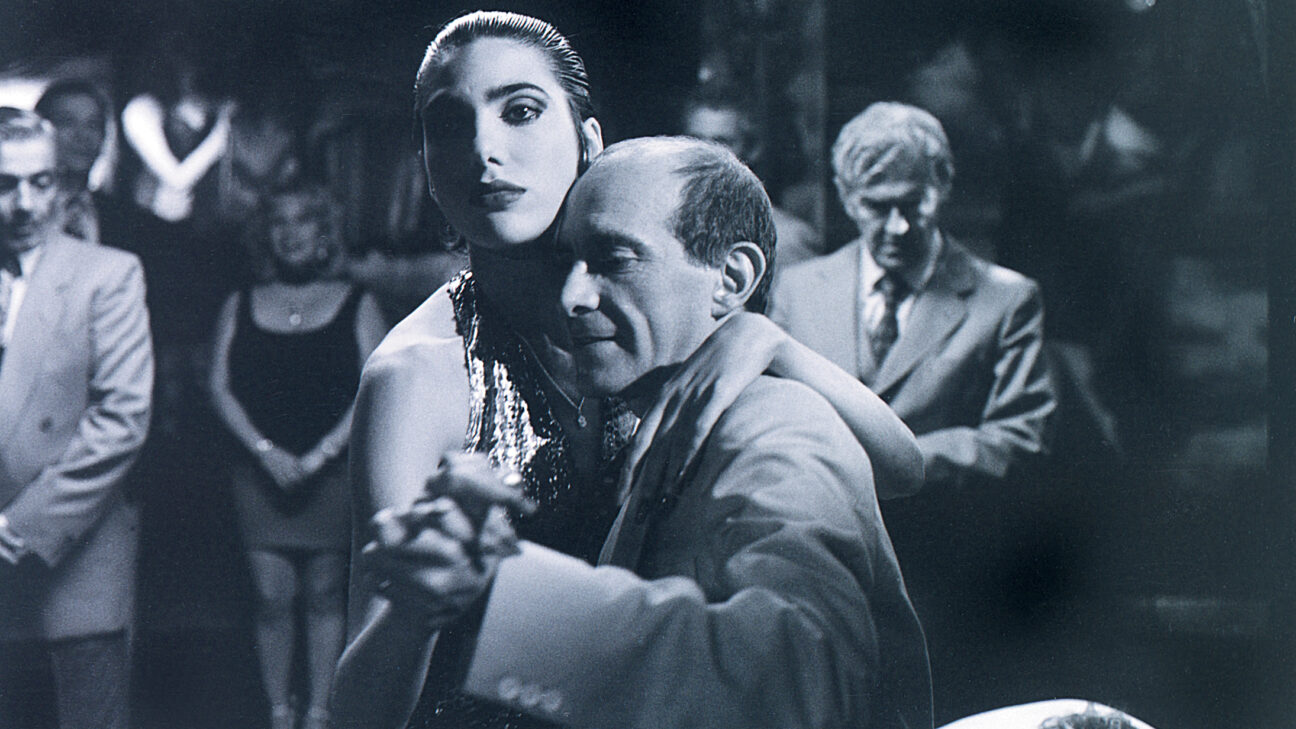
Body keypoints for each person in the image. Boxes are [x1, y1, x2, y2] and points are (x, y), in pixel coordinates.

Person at [330, 11, 923, 729]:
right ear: (425, 165)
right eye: (448, 125)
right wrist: (419, 608)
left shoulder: (655, 307)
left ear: (589, 140)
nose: (484, 148)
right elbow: (360, 711)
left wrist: (767, 342)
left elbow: (896, 468)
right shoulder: (417, 372)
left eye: (520, 111)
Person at [768, 101, 1056, 720]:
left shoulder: (1006, 300)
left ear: (943, 187)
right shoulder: (796, 290)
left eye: (913, 203)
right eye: (877, 206)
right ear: (846, 198)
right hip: (821, 583)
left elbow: (1023, 437)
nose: (897, 227)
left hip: (949, 587)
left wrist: (896, 461)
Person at [209, 182, 386, 729]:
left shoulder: (358, 301)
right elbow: (218, 387)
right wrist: (265, 453)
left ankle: (318, 712)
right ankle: (278, 713)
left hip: (331, 472)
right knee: (270, 595)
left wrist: (321, 455)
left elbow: (374, 386)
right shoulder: (239, 302)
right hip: (258, 473)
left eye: (303, 220)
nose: (290, 233)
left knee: (326, 593)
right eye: (278, 222)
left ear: (324, 231)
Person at [0, 108, 153, 729]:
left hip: (72, 563)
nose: (25, 204)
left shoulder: (106, 274)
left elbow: (122, 420)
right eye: (5, 185)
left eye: (41, 183)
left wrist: (13, 529)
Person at [679, 84, 823, 271]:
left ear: (752, 150)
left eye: (721, 142)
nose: (705, 153)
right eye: (696, 139)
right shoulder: (663, 224)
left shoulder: (786, 239)